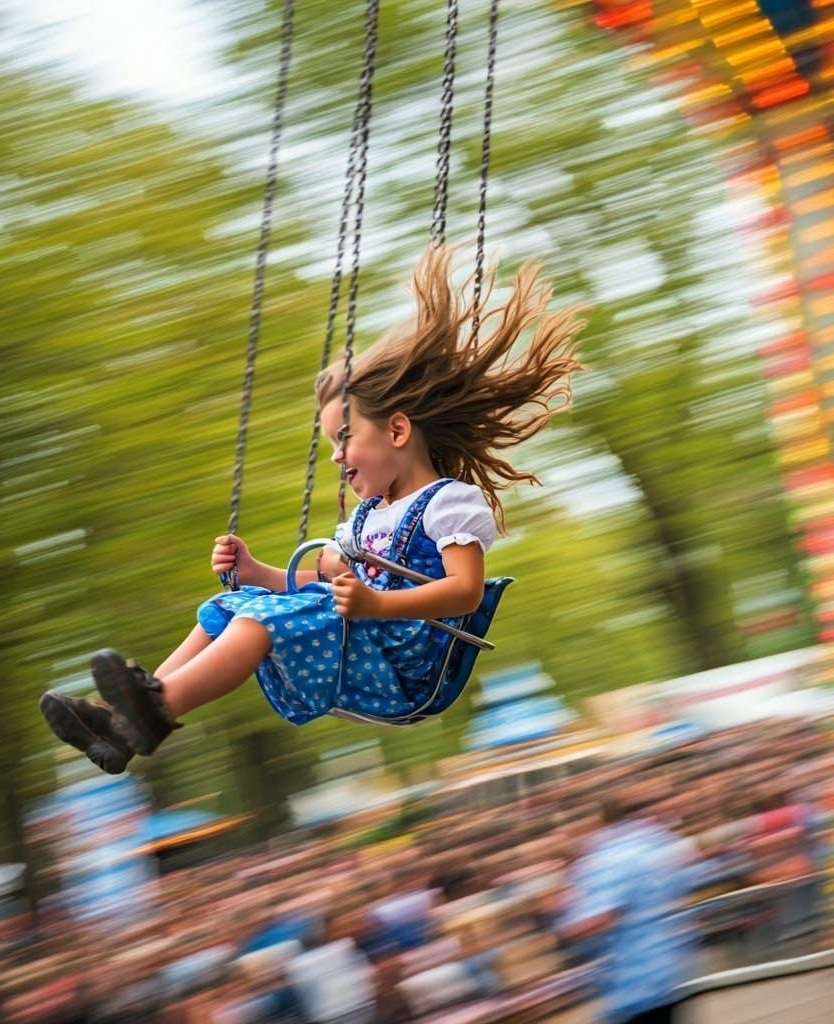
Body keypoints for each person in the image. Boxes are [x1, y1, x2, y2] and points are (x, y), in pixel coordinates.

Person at [39, 244, 584, 774]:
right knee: (228, 606)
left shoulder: (449, 503)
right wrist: (256, 573)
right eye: (330, 444)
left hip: (404, 663)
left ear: (397, 429)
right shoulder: (368, 517)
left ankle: (156, 710)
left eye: (344, 438)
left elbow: (465, 591)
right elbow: (320, 577)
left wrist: (374, 605)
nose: (336, 456)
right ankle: (126, 721)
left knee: (259, 622)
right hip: (361, 638)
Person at [558, 785, 702, 1024]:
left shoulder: (608, 858)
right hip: (669, 967)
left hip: (633, 979)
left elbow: (600, 917)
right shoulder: (658, 840)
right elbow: (689, 877)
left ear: (596, 819)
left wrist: (564, 925)